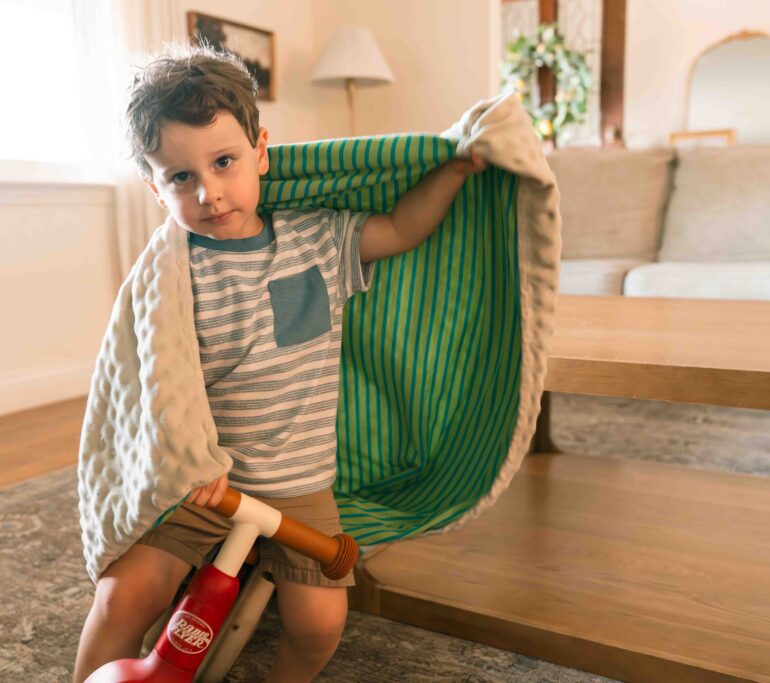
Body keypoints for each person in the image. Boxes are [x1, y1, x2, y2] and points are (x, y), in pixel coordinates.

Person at [73, 42, 487, 683]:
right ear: (155, 189)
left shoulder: (318, 237)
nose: (209, 192)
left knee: (320, 621)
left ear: (261, 150)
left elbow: (403, 229)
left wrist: (455, 171)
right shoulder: (170, 270)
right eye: (181, 177)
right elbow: (146, 387)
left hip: (300, 483)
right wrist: (187, 466)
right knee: (125, 594)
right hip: (202, 480)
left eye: (224, 162)